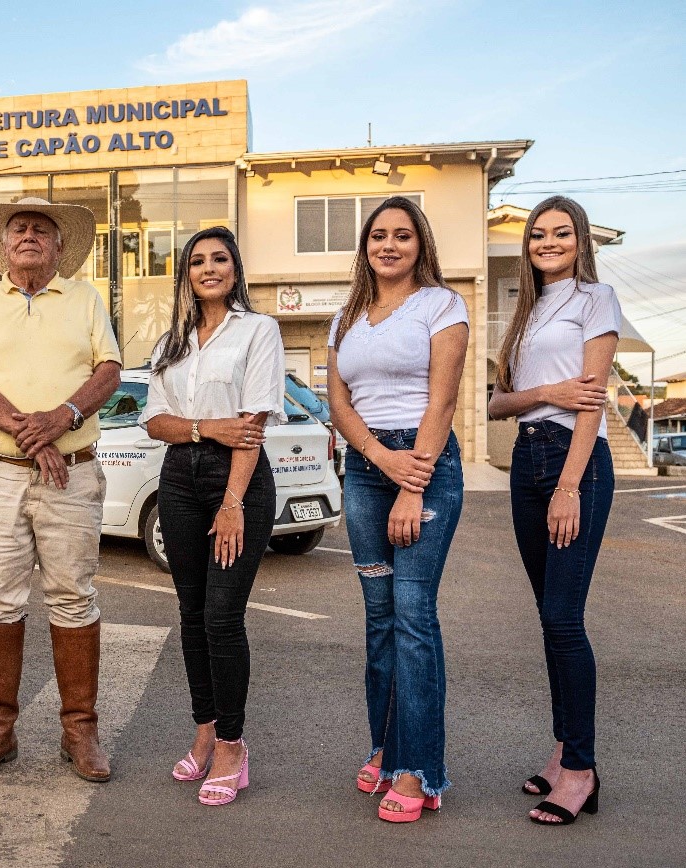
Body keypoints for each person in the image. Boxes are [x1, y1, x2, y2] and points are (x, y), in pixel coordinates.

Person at [0, 197, 122, 783]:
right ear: (4, 244)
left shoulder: (85, 297)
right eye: (18, 228)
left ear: (57, 245)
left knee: (73, 594)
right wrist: (34, 431)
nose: (27, 235)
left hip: (71, 471)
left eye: (39, 229)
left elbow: (109, 371)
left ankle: (81, 729)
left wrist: (66, 414)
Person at [326, 196, 468, 823]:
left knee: (413, 616)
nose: (388, 245)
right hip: (367, 467)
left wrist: (411, 483)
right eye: (378, 235)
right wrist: (381, 462)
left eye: (402, 235)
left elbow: (443, 401)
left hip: (425, 465)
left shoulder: (443, 305)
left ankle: (420, 771)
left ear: (420, 244)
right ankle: (386, 749)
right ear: (366, 247)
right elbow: (340, 403)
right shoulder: (345, 316)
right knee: (378, 619)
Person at [139, 226, 284, 806]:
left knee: (223, 618)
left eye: (219, 259)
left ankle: (231, 745)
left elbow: (251, 424)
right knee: (192, 614)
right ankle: (203, 731)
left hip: (237, 481)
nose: (208, 269)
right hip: (177, 478)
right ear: (186, 275)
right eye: (197, 261)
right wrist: (204, 428)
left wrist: (231, 504)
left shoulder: (258, 330)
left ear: (234, 268)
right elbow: (154, 420)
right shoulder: (171, 340)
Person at [487, 196, 618, 826]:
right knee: (547, 617)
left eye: (560, 233)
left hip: (574, 464)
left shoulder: (596, 299)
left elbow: (588, 404)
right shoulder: (524, 311)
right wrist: (543, 392)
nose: (547, 242)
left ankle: (583, 769)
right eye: (539, 234)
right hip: (526, 460)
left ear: (579, 239)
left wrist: (569, 486)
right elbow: (496, 404)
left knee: (565, 617)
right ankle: (565, 749)